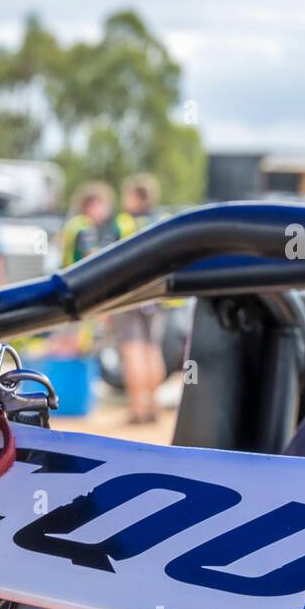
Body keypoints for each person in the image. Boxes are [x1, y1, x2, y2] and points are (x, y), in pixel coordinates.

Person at [110, 173, 166, 423]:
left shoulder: (123, 223)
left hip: (129, 296)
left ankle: (137, 409)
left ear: (136, 197)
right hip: (154, 296)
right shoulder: (160, 221)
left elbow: (111, 261)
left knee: (132, 352)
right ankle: (153, 405)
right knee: (152, 350)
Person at [61, 181, 114, 269]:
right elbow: (91, 256)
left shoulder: (75, 222)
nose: (106, 211)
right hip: (77, 275)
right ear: (91, 205)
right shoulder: (86, 226)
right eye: (103, 206)